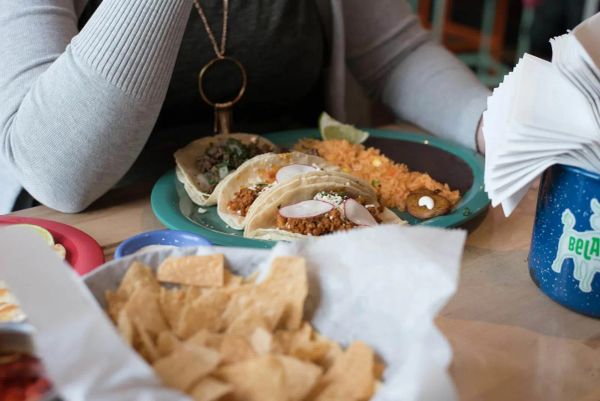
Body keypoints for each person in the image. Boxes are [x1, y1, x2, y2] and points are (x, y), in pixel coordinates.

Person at [0, 0, 489, 214]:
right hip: (106, 242)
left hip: (303, 225)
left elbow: (397, 55)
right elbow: (56, 174)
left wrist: (498, 123)